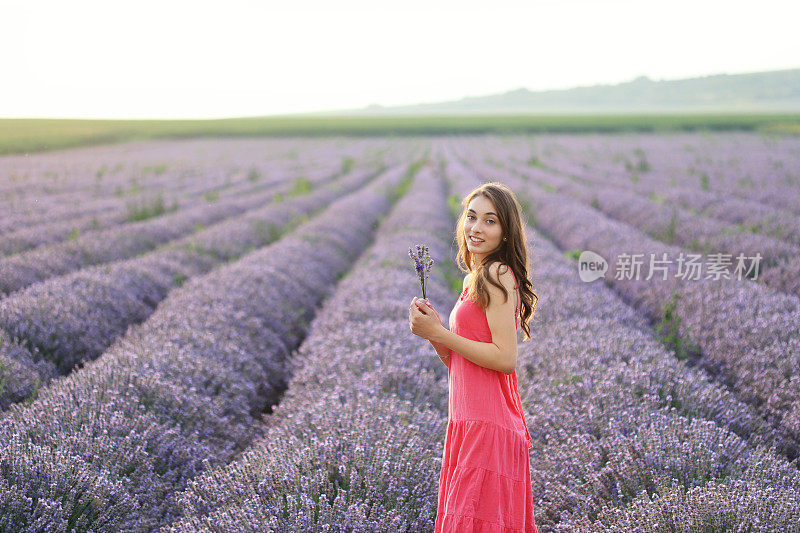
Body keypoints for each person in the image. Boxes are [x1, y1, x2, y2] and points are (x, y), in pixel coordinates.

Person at [409, 182, 539, 532]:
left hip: (488, 424)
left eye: (490, 221)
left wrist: (440, 333)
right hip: (469, 422)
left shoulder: (497, 275)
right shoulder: (473, 279)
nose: (476, 228)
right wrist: (436, 335)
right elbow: (464, 362)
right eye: (471, 217)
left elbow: (505, 357)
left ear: (507, 233)